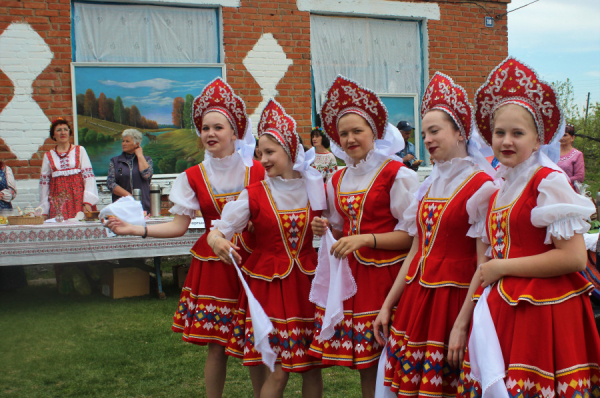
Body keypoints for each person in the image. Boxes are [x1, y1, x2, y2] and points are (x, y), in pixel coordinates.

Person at [105, 77, 264, 398]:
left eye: (218, 127)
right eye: (205, 128)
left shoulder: (259, 171)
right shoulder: (192, 176)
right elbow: (179, 226)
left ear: (235, 132)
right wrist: (134, 229)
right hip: (215, 268)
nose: (210, 134)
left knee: (256, 343)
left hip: (253, 265)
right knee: (217, 346)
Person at [457, 57, 600, 397]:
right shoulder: (497, 190)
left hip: (546, 312)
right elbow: (487, 262)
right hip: (504, 311)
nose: (507, 140)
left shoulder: (548, 182)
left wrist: (501, 267)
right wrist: (465, 318)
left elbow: (575, 259)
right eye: (499, 132)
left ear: (538, 141)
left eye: (518, 133)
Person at [373, 72, 496, 397]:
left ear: (459, 133)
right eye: (424, 132)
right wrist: (388, 304)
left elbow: (483, 265)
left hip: (455, 302)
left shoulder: (482, 186)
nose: (427, 138)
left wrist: (461, 323)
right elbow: (416, 251)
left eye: (435, 130)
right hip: (418, 299)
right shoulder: (429, 185)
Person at [207, 99, 326, 398]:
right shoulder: (255, 193)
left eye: (270, 152)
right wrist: (219, 241)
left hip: (308, 286)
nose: (264, 159)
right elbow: (219, 228)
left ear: (289, 149)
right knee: (279, 368)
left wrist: (325, 231)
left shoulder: (317, 186)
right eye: (260, 153)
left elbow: (335, 227)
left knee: (312, 366)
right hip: (269, 288)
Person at [310, 76, 419, 398]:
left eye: (358, 130)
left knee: (395, 357)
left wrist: (365, 240)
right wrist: (328, 230)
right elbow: (343, 229)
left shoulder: (397, 174)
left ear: (375, 132)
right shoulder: (339, 177)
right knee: (368, 361)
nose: (350, 138)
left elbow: (413, 237)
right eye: (343, 133)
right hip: (356, 279)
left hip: (390, 275)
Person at [40, 118, 99, 219]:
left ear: (69, 133)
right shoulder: (48, 155)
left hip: (79, 200)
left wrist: (88, 202)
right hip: (58, 202)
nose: (63, 132)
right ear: (53, 135)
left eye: (65, 129)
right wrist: (44, 210)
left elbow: (88, 177)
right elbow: (44, 185)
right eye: (59, 130)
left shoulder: (80, 150)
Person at [107, 129, 154, 213]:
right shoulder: (115, 161)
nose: (124, 144)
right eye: (123, 141)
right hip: (121, 208)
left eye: (127, 141)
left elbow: (147, 175)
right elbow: (110, 183)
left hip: (142, 207)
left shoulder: (147, 159)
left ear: (137, 144)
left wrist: (140, 155)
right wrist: (130, 197)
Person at [557, 123, 585, 189]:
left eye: (565, 135)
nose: (562, 138)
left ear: (572, 138)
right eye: (560, 135)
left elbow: (580, 177)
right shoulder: (553, 153)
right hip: (552, 189)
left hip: (568, 190)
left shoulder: (577, 155)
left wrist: (562, 181)